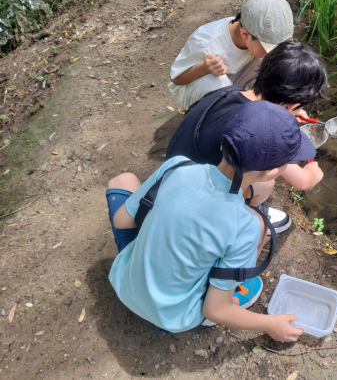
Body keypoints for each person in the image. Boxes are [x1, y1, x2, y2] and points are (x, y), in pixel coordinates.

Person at [105, 101, 315, 338]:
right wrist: (270, 324)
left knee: (123, 181)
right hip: (173, 316)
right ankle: (233, 288)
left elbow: (122, 221)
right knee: (261, 225)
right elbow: (216, 310)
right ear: (270, 173)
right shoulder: (245, 226)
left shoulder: (177, 166)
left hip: (124, 281)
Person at [166, 39, 328, 234]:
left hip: (172, 175)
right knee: (265, 181)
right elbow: (302, 182)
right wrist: (313, 171)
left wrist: (287, 113)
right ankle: (240, 215)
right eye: (299, 106)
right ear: (290, 105)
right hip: (191, 203)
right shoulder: (258, 130)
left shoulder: (228, 91)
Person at [169, 0, 294, 110]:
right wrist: (204, 67)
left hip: (235, 77)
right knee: (216, 86)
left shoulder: (252, 29)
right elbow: (177, 79)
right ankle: (211, 118)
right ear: (245, 34)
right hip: (197, 87)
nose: (273, 52)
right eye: (269, 47)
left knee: (273, 71)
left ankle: (243, 105)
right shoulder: (207, 42)